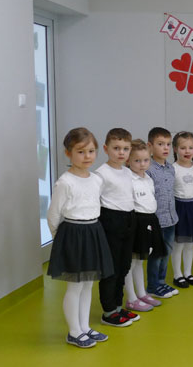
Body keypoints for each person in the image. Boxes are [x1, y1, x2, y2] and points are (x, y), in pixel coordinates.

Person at [46, 128, 113, 348]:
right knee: (75, 287)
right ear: (68, 153)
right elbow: (53, 215)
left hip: (93, 231)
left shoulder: (96, 180)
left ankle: (84, 327)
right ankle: (74, 331)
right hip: (73, 235)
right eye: (81, 151)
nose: (87, 156)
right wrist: (61, 240)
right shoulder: (65, 182)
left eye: (91, 151)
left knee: (88, 284)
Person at [95, 128, 139, 328]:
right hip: (110, 220)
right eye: (116, 148)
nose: (121, 152)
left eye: (125, 149)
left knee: (123, 266)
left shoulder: (128, 172)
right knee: (111, 268)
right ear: (106, 149)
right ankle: (108, 311)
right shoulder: (101, 173)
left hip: (129, 219)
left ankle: (118, 306)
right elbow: (95, 200)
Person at [124, 139, 166, 313]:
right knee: (131, 262)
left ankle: (141, 293)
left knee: (140, 261)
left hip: (149, 220)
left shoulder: (148, 178)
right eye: (137, 160)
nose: (142, 164)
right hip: (136, 221)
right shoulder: (127, 179)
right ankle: (131, 298)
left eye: (146, 160)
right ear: (128, 160)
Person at [145, 127, 179, 299]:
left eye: (168, 144)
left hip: (171, 218)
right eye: (160, 144)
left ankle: (161, 282)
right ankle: (152, 286)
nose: (165, 148)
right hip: (156, 220)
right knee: (156, 254)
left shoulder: (171, 168)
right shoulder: (148, 169)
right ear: (150, 146)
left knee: (166, 253)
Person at [170, 131, 193, 288]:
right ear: (175, 149)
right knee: (178, 244)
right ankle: (177, 275)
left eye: (190, 147)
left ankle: (188, 273)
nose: (187, 151)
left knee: (190, 244)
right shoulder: (172, 169)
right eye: (183, 148)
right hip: (179, 207)